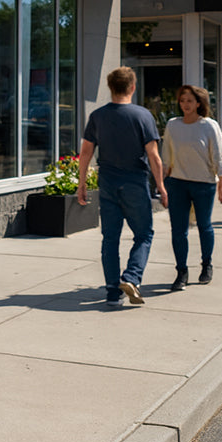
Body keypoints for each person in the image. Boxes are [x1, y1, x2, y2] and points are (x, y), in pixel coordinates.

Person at [77, 66, 168, 307]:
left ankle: (111, 293)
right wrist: (161, 186)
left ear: (110, 87)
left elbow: (86, 152)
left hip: (107, 180)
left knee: (110, 239)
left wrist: (81, 183)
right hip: (135, 182)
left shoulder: (97, 116)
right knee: (144, 234)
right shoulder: (143, 116)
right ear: (132, 87)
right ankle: (131, 277)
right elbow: (154, 156)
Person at [161, 85, 222, 291]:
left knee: (204, 226)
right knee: (178, 230)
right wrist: (162, 183)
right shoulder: (173, 125)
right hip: (178, 183)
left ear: (199, 103)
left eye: (190, 100)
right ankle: (181, 271)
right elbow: (166, 155)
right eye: (182, 101)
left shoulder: (209, 125)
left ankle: (206, 265)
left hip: (204, 184)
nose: (185, 105)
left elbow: (218, 154)